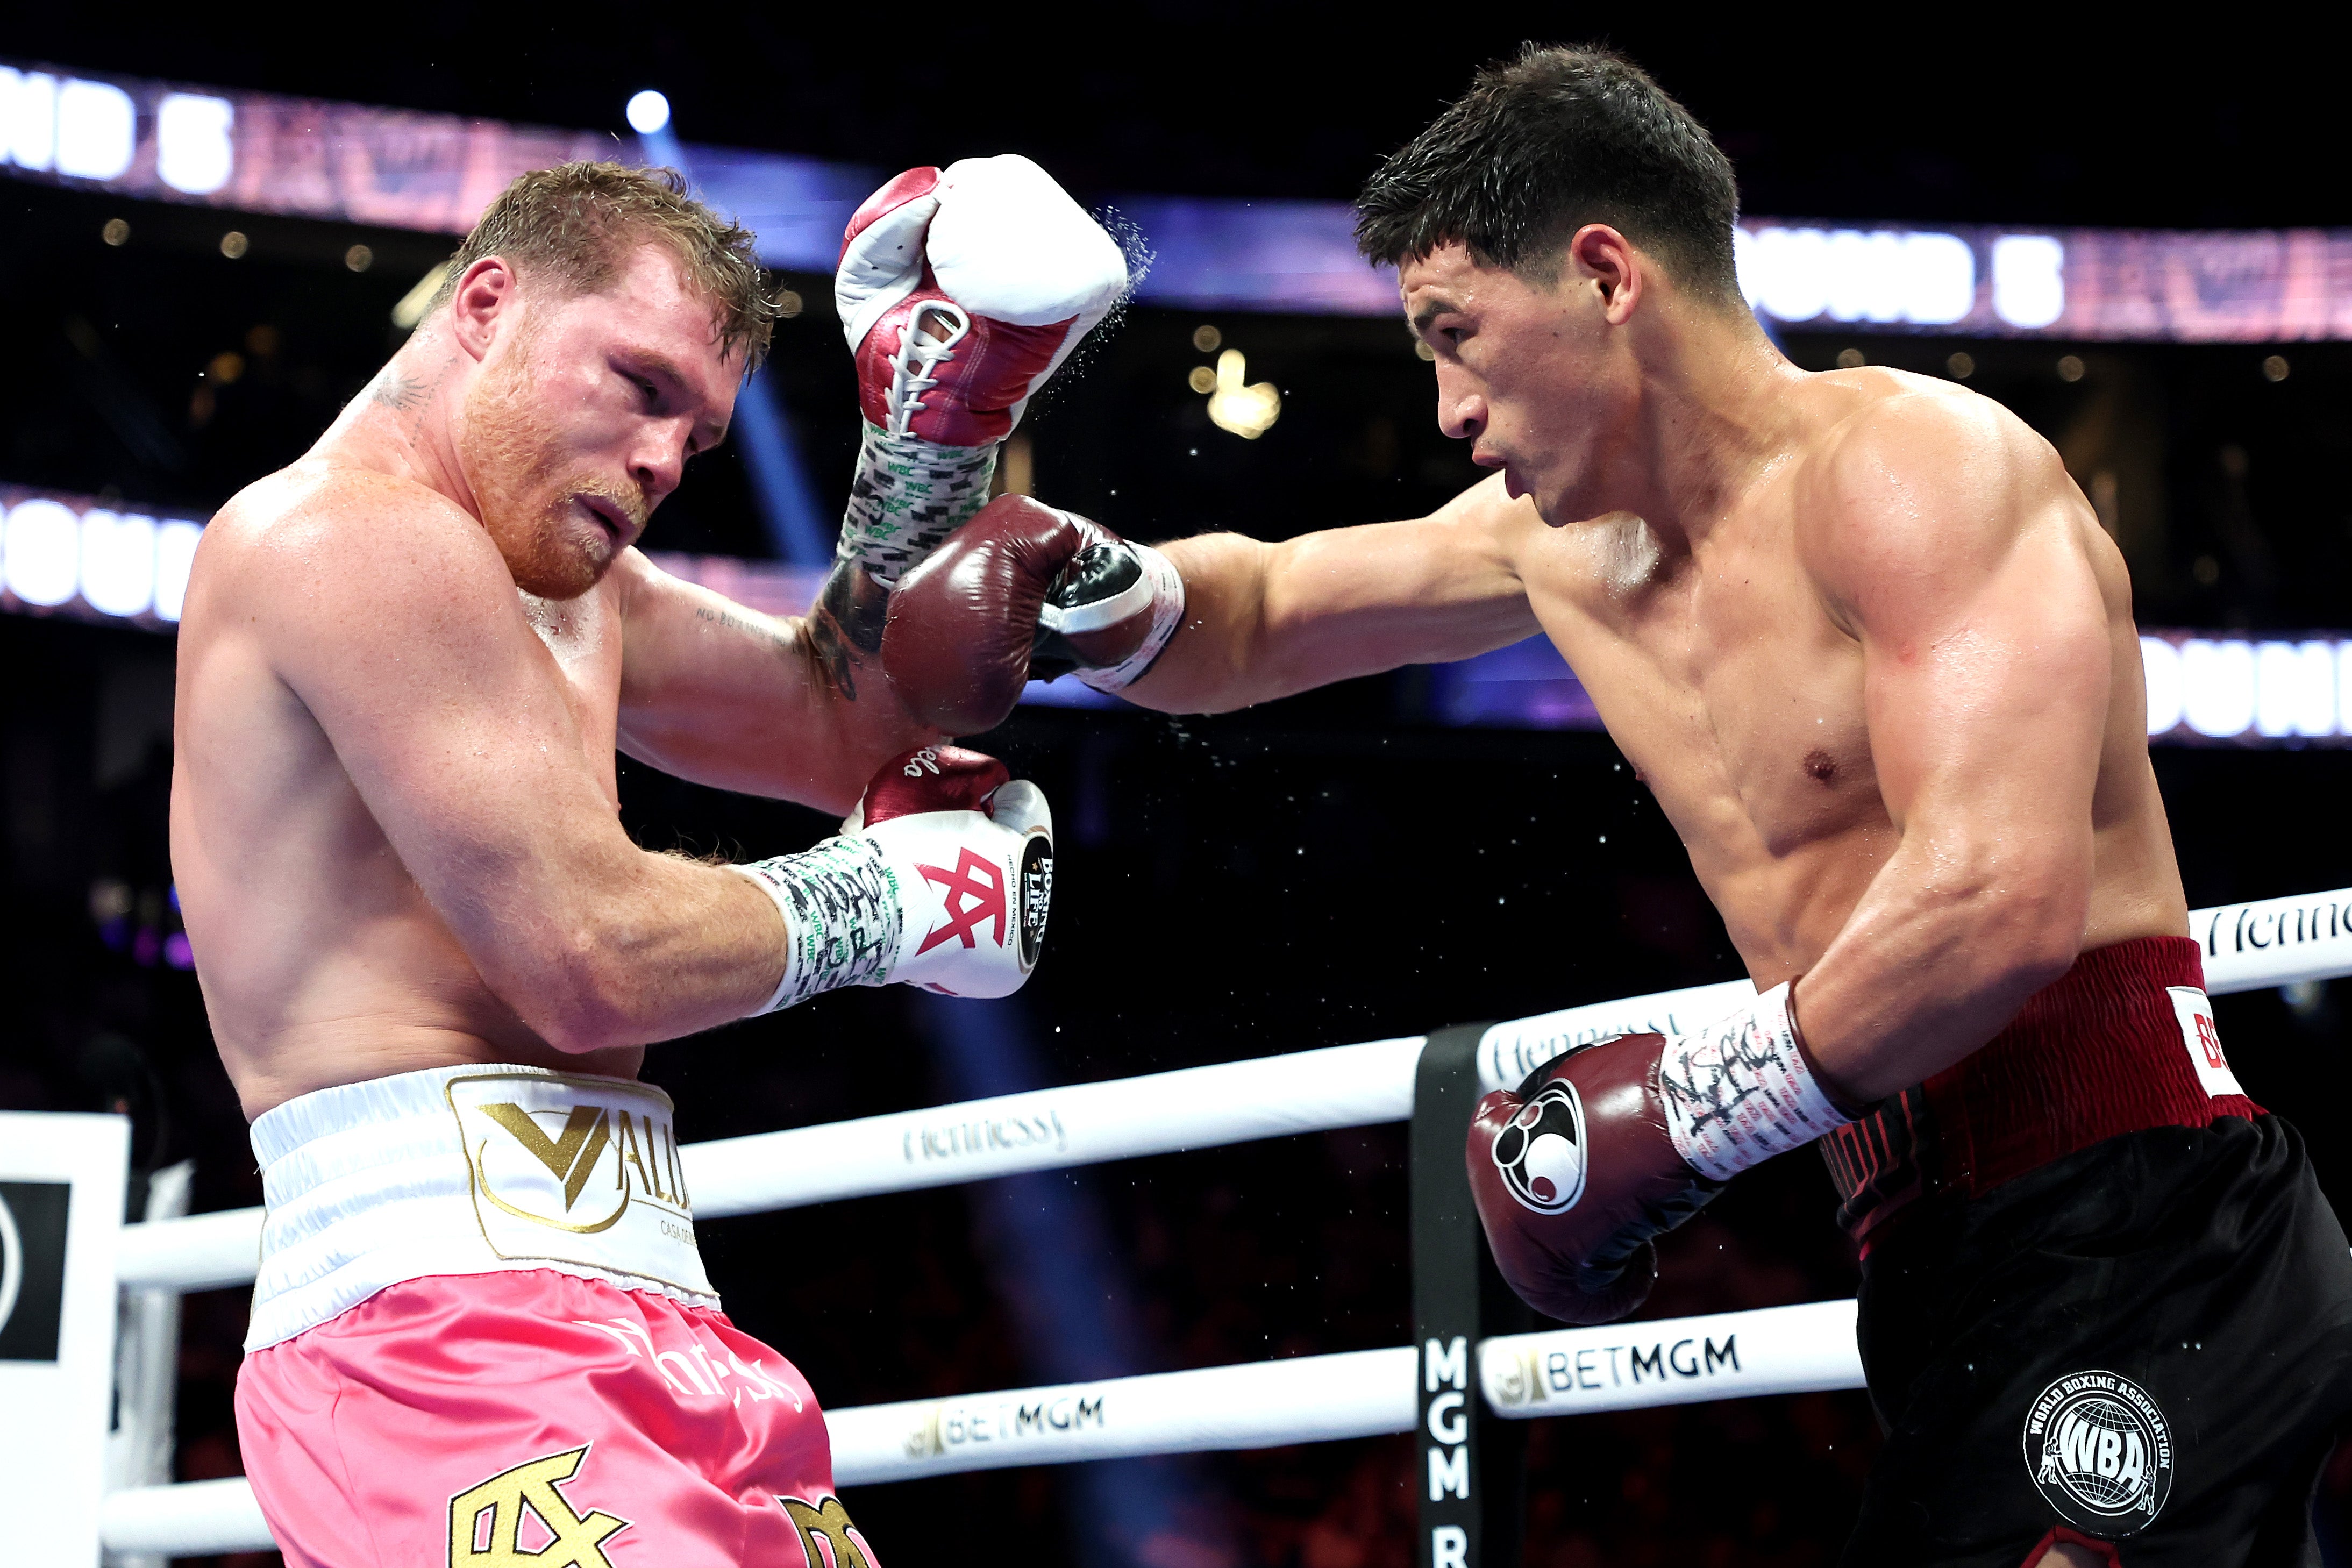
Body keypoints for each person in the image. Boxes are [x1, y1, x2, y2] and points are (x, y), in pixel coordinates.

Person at [880, 48, 2352, 1566]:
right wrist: (1087, 587)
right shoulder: (1557, 547)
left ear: (1603, 275)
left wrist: (1691, 1116)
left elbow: (2003, 898)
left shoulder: (1917, 474)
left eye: (1458, 337)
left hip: (2153, 1221)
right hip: (1937, 1257)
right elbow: (1259, 614)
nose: (1447, 409)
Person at [171, 156, 1121, 1566]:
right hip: (440, 1337)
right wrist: (887, 898)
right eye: (640, 383)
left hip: (645, 1316)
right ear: (486, 302)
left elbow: (847, 730)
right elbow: (585, 960)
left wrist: (934, 435)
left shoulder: (571, 588)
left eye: (699, 432)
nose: (667, 458)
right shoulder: (347, 538)